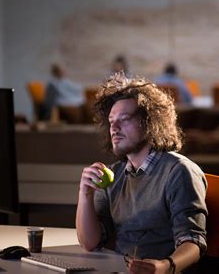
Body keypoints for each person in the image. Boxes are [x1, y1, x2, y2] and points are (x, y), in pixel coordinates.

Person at [76, 72, 208, 273]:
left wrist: (165, 266)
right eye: (111, 122)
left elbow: (193, 241)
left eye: (124, 119)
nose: (114, 128)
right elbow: (90, 242)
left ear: (150, 123)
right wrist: (85, 194)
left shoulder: (179, 171)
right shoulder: (113, 175)